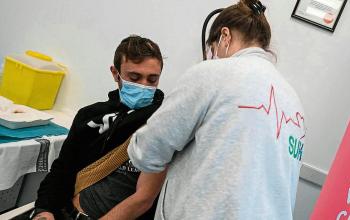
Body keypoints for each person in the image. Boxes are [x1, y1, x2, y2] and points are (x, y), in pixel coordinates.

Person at [126, 1, 307, 219]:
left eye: (213, 49)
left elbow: (146, 152)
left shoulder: (212, 73)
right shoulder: (293, 101)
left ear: (224, 36)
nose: (214, 56)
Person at [25, 35, 166, 220]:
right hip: (66, 211)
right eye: (135, 77)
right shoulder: (89, 116)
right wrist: (44, 210)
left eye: (152, 79)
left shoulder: (164, 121)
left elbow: (144, 199)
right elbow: (62, 169)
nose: (144, 85)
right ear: (116, 74)